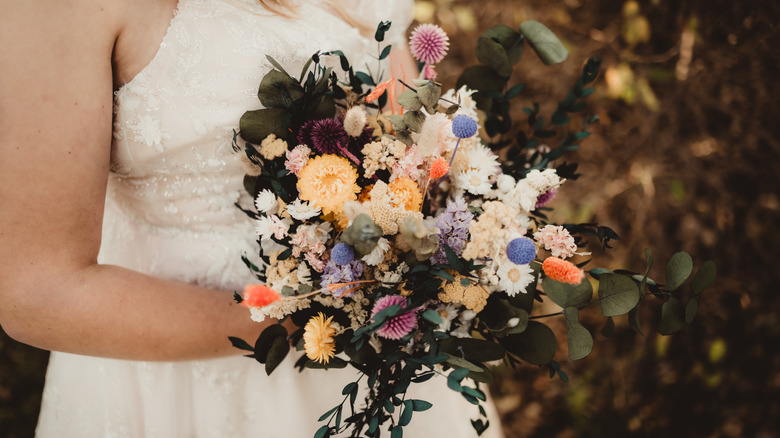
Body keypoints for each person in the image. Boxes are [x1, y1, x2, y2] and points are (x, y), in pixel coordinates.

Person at [0, 0, 503, 436]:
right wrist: (305, 308)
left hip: (382, 338)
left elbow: (400, 108)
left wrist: (442, 225)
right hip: (181, 373)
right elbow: (37, 292)